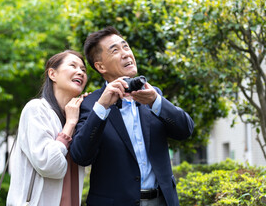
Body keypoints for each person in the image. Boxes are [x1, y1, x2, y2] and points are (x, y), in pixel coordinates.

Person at [70, 26, 194, 206]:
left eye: (126, 47)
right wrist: (102, 107)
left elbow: (185, 130)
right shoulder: (91, 104)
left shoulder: (151, 94)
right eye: (115, 50)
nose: (126, 54)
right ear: (100, 66)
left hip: (162, 201)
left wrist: (156, 102)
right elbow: (81, 155)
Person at [7, 50, 88, 206]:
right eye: (73, 65)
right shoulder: (36, 110)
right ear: (52, 74)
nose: (80, 72)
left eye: (83, 70)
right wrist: (70, 124)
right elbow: (50, 165)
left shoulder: (78, 117)